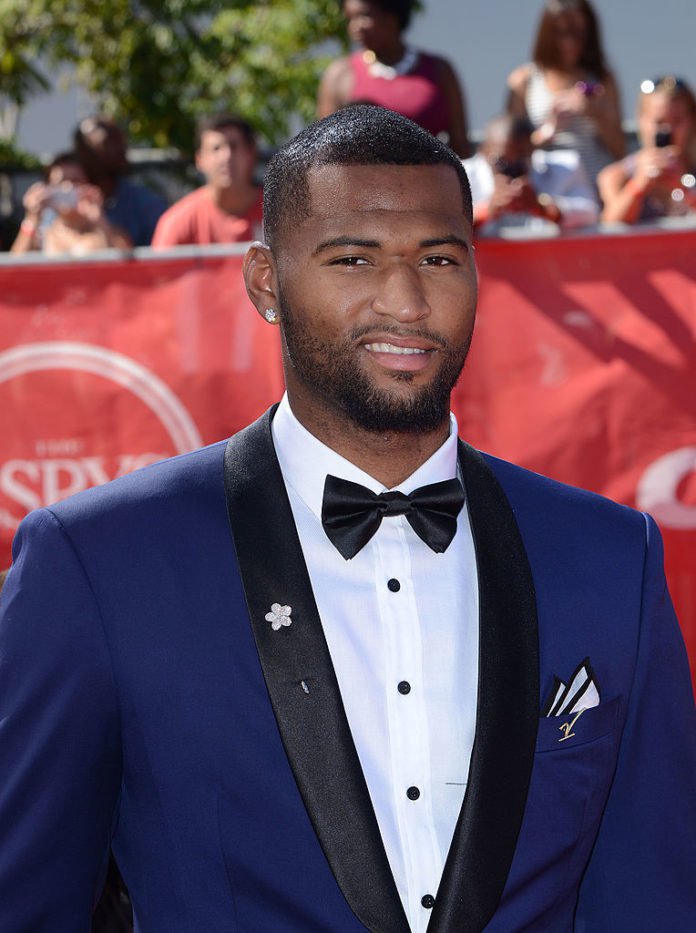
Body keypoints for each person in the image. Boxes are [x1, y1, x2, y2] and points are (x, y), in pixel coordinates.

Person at [1, 106, 695, 933]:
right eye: (353, 258)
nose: (405, 301)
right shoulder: (100, 563)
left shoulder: (611, 557)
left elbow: (653, 898)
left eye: (438, 258)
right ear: (266, 280)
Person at [318, 0, 471, 156]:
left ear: (392, 16)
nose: (355, 27)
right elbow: (326, 151)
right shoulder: (340, 75)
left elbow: (460, 146)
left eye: (364, 16)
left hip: (428, 179)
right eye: (350, 18)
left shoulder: (439, 70)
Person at [506, 0, 624, 185]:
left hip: (596, 186)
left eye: (580, 33)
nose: (571, 42)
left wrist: (594, 113)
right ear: (548, 34)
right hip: (546, 189)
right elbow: (510, 148)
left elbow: (620, 150)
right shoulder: (524, 80)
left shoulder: (602, 78)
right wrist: (550, 128)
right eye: (563, 33)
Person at [463, 114, 598, 234]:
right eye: (500, 161)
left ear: (533, 150)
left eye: (521, 160)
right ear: (483, 152)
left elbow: (591, 213)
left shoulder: (566, 166)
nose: (512, 170)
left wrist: (543, 208)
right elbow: (444, 224)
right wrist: (487, 211)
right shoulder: (459, 174)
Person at [151, 114, 262, 248]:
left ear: (251, 153)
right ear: (199, 160)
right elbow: (158, 268)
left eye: (233, 146)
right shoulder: (178, 222)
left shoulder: (283, 214)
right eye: (216, 148)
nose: (226, 156)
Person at [599, 75, 696, 224]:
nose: (667, 130)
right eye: (659, 121)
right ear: (641, 120)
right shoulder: (616, 176)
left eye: (677, 121)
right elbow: (611, 228)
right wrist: (638, 185)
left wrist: (683, 187)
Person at [10, 152, 132, 256]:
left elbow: (128, 262)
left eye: (75, 181)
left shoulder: (107, 228)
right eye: (60, 182)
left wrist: (100, 220)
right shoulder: (41, 234)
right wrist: (32, 217)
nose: (67, 188)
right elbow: (13, 269)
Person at [74, 116, 167, 247]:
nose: (118, 149)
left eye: (117, 142)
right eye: (105, 143)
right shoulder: (66, 204)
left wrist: (102, 223)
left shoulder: (146, 205)